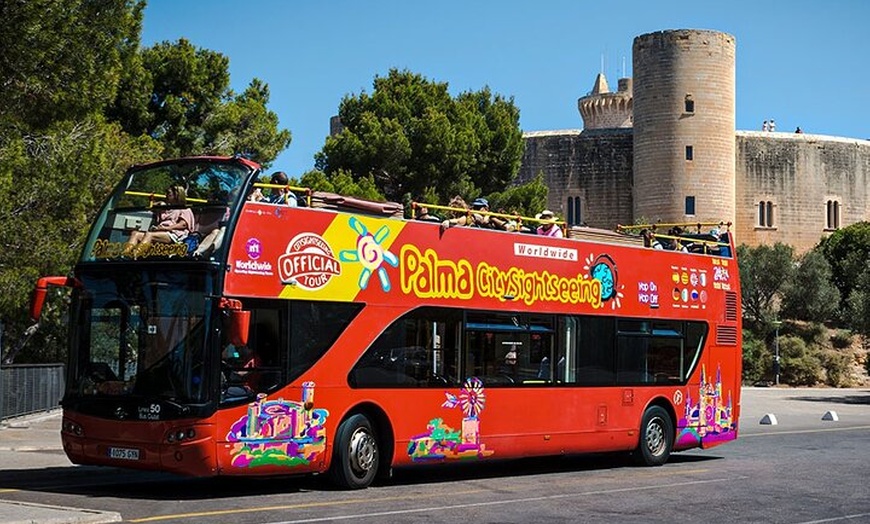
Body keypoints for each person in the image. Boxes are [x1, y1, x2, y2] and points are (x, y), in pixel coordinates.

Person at [124, 185, 195, 256]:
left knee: (149, 235)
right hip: (161, 231)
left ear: (176, 195)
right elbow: (153, 207)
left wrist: (165, 228)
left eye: (168, 193)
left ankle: (135, 255)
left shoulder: (185, 209)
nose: (166, 195)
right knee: (135, 233)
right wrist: (157, 202)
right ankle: (125, 255)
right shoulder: (166, 208)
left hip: (174, 234)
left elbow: (183, 224)